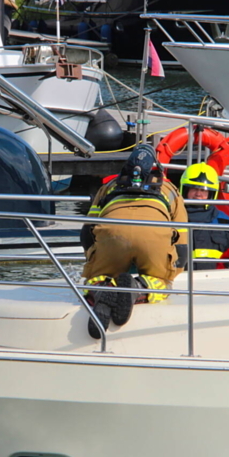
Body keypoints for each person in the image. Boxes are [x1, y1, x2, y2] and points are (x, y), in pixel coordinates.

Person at [79, 143, 188, 339]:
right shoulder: (169, 189)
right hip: (153, 236)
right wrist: (174, 269)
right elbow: (182, 235)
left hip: (112, 236)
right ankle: (138, 289)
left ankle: (100, 289)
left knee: (95, 277)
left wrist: (93, 261)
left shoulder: (109, 187)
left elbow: (87, 232)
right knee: (163, 282)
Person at [179, 162, 229, 269]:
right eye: (194, 188)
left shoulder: (222, 221)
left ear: (211, 193)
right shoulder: (173, 217)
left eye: (203, 190)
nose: (198, 194)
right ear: (185, 190)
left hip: (214, 279)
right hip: (181, 278)